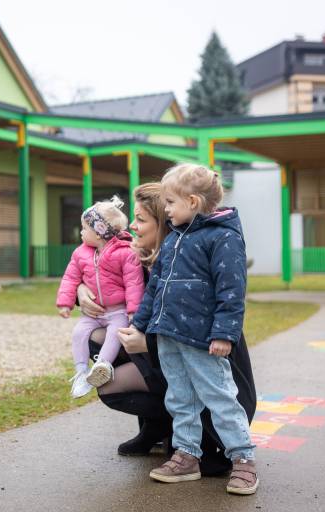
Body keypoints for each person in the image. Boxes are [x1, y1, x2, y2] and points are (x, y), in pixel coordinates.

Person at [77, 181, 256, 478]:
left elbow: (228, 298)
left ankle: (230, 451)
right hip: (169, 355)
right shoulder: (139, 257)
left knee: (193, 392)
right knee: (97, 340)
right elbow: (97, 275)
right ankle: (161, 431)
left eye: (141, 219)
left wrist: (149, 343)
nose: (132, 226)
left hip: (208, 361)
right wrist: (80, 291)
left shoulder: (193, 260)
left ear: (165, 221)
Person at [126, 163, 258, 495]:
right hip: (168, 335)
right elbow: (155, 287)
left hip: (201, 339)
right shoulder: (174, 239)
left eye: (170, 202)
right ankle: (186, 455)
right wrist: (140, 323)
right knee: (180, 398)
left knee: (220, 397)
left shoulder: (223, 237)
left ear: (193, 202)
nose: (166, 209)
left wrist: (224, 334)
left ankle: (243, 459)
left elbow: (232, 290)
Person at [57, 196, 145, 398]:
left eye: (84, 228)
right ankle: (81, 371)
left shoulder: (125, 253)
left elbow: (134, 284)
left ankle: (102, 366)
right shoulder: (81, 253)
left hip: (118, 311)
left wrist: (133, 312)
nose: (81, 232)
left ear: (98, 232)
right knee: (79, 333)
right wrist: (65, 303)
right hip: (93, 313)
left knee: (115, 334)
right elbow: (70, 277)